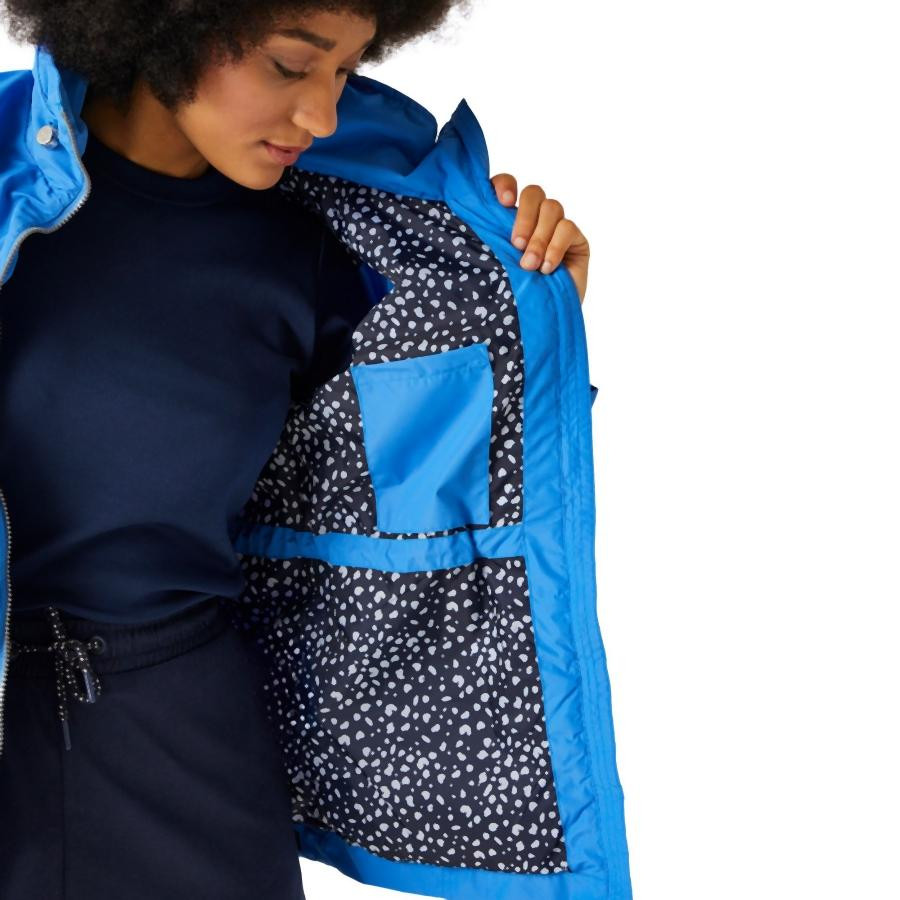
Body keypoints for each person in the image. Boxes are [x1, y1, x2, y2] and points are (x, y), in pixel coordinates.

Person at [0, 1, 592, 897]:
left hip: (189, 743)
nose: (321, 114)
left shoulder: (320, 243)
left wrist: (529, 317)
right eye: (289, 65)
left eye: (346, 71)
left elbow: (416, 488)